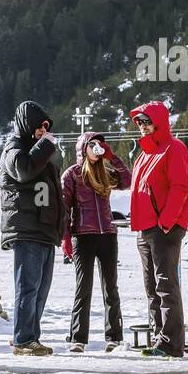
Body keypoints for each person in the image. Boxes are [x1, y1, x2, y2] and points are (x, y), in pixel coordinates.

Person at [0, 100, 66, 356]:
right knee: (27, 288)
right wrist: (46, 145)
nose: (43, 130)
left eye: (47, 127)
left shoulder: (39, 154)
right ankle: (23, 339)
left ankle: (31, 337)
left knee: (40, 289)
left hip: (44, 230)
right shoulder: (13, 149)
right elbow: (23, 171)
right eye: (39, 126)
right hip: (26, 229)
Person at [129, 102, 188, 358]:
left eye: (146, 121)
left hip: (163, 228)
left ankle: (171, 344)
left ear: (159, 121)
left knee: (166, 286)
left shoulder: (174, 148)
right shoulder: (144, 154)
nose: (142, 127)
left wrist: (166, 222)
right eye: (139, 123)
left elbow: (180, 187)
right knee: (151, 287)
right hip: (145, 229)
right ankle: (159, 338)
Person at [62, 132, 132, 352]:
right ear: (83, 148)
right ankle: (78, 339)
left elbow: (128, 181)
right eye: (93, 145)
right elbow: (65, 209)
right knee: (83, 288)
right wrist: (65, 238)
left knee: (110, 287)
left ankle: (114, 337)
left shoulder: (105, 171)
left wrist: (112, 157)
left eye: (100, 145)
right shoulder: (71, 174)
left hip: (108, 235)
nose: (97, 148)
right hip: (83, 235)